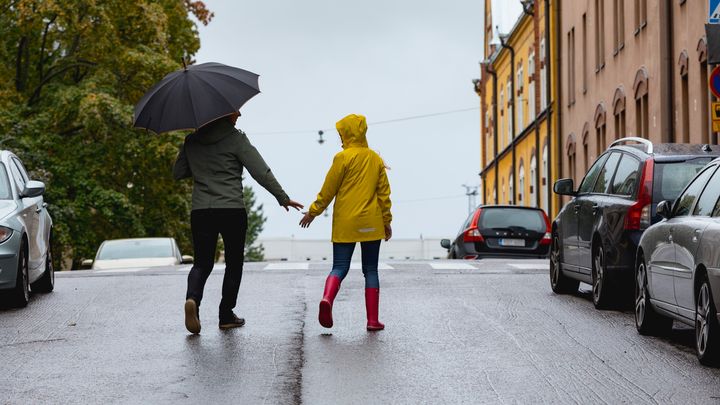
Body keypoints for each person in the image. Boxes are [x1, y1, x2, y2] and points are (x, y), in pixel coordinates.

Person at [174, 111, 303, 334]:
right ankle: (225, 315)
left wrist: (196, 158)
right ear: (223, 114)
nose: (240, 114)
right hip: (231, 209)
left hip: (201, 210)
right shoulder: (236, 139)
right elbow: (260, 172)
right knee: (234, 263)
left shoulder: (191, 140)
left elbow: (178, 173)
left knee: (202, 263)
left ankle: (192, 299)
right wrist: (282, 197)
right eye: (235, 111)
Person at [299, 114, 392, 331]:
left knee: (339, 267)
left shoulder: (342, 158)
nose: (340, 138)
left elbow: (328, 190)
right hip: (371, 222)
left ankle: (327, 299)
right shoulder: (375, 159)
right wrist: (386, 221)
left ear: (348, 134)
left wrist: (313, 212)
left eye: (342, 134)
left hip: (345, 223)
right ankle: (372, 321)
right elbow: (384, 195)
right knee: (371, 270)